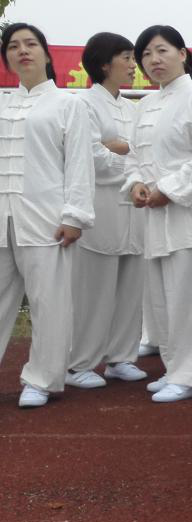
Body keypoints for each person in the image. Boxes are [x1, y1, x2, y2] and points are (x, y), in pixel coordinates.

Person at [126, 24, 192, 403]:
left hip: (191, 216)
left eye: (162, 50)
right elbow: (134, 155)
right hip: (155, 216)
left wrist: (168, 190)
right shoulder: (145, 106)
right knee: (162, 298)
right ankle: (175, 368)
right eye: (146, 54)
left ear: (182, 54)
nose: (154, 59)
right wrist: (136, 183)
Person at [0, 23, 94, 408]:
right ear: (6, 58)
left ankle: (41, 379)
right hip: (2, 218)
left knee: (48, 302)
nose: (22, 51)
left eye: (30, 44)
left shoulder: (68, 104)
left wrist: (75, 215)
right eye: (13, 46)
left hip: (46, 219)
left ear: (46, 53)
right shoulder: (3, 103)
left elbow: (79, 163)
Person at [66, 32, 148, 390]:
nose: (133, 65)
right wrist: (129, 154)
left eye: (133, 58)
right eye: (126, 58)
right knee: (93, 291)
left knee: (131, 288)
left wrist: (121, 148)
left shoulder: (133, 108)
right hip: (100, 207)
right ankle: (78, 363)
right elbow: (90, 157)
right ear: (103, 64)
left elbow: (145, 153)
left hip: (135, 208)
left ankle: (121, 358)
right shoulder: (83, 105)